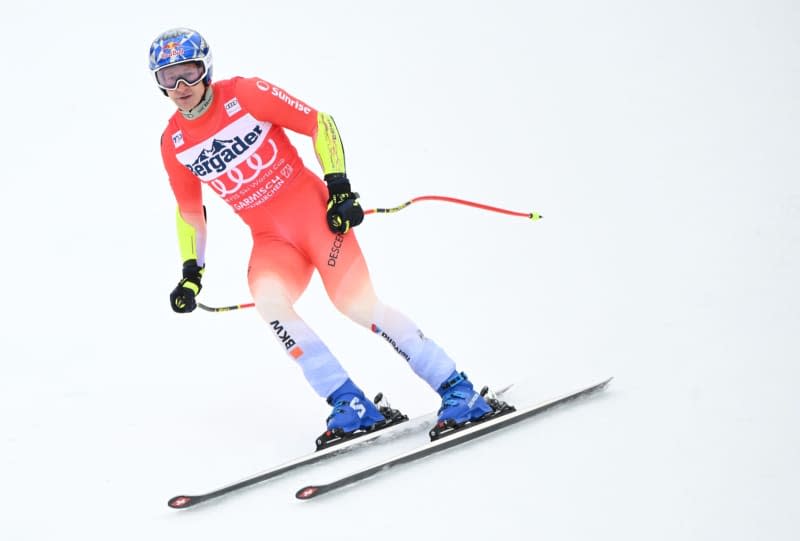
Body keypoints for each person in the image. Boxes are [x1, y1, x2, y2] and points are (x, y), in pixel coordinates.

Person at [148, 27, 494, 442]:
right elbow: (189, 212)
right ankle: (348, 403)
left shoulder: (246, 94)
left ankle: (458, 390)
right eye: (168, 78)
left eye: (188, 72)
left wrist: (339, 188)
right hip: (273, 243)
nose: (180, 86)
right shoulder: (174, 142)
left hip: (318, 220)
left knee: (357, 306)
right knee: (271, 305)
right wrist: (192, 271)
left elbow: (319, 123)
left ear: (206, 68)